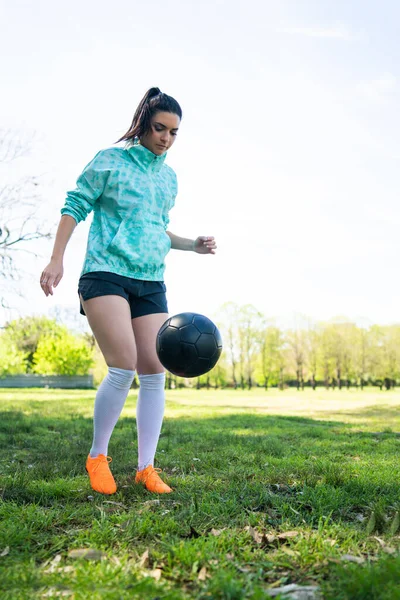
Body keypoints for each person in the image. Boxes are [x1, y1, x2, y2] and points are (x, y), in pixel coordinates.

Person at [40, 87, 217, 495]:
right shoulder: (111, 161)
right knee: (123, 365)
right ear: (142, 124)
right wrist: (56, 259)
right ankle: (97, 456)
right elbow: (75, 206)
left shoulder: (168, 178)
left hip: (150, 280)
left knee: (154, 373)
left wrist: (192, 244)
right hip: (105, 273)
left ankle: (145, 468)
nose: (166, 139)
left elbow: (154, 228)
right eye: (159, 129)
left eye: (174, 132)